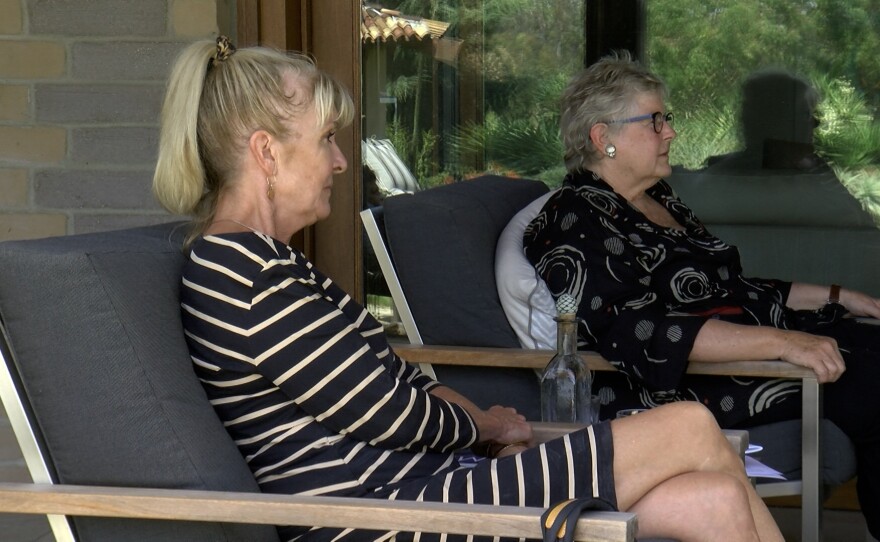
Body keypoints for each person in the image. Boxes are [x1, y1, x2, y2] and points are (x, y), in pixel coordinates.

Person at [153, 37, 783, 542]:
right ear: (266, 153)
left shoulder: (276, 265)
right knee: (690, 428)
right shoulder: (241, 274)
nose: (342, 162)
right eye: (326, 141)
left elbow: (408, 388)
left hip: (437, 487)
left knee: (714, 500)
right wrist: (484, 424)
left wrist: (479, 428)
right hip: (384, 518)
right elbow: (392, 413)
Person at [523, 50, 880, 537]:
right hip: (689, 386)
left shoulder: (660, 200)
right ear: (602, 137)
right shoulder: (574, 218)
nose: (669, 132)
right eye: (654, 121)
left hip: (746, 356)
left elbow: (733, 289)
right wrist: (783, 343)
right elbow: (640, 332)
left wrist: (841, 296)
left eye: (665, 119)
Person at [705, 70, 828, 171]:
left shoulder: (816, 170)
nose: (816, 123)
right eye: (805, 114)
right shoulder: (813, 177)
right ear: (777, 122)